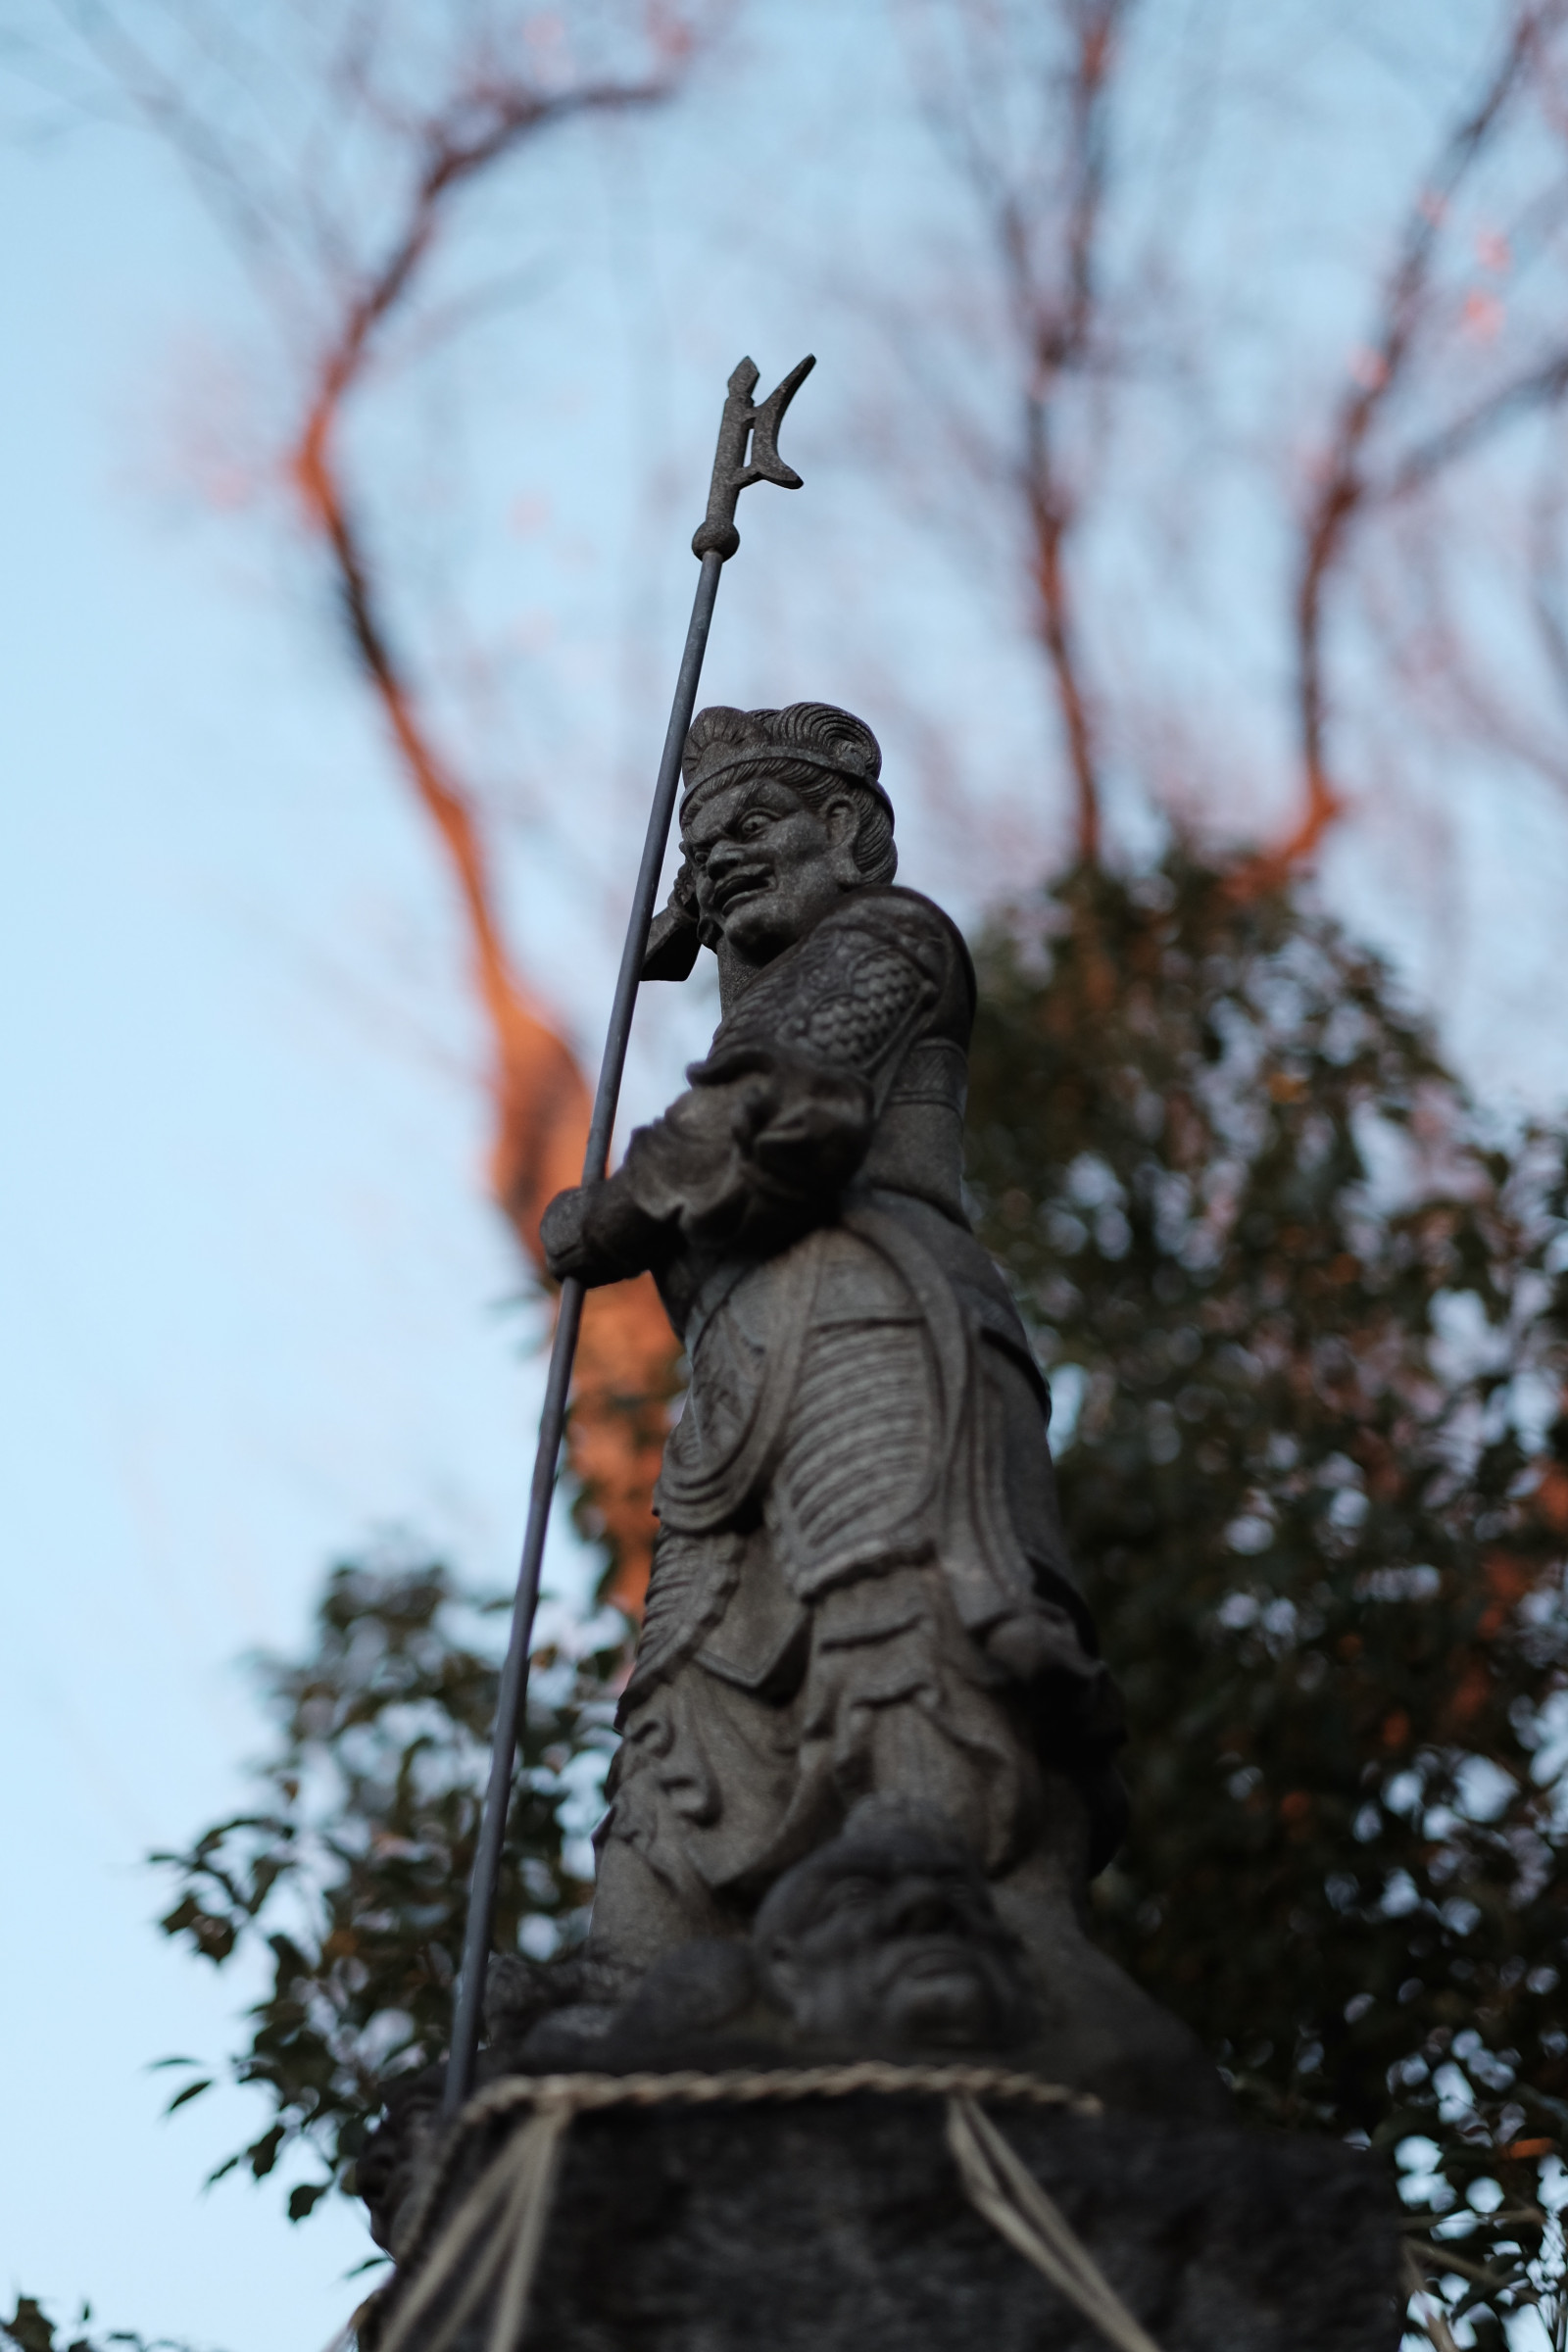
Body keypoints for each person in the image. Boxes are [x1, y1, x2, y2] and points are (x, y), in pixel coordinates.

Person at [542, 701, 1126, 1984]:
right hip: (735, 1378)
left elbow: (779, 1113)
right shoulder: (762, 974)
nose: (725, 859)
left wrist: (616, 1205)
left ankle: (939, 1919)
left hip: (871, 1313)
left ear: (846, 829)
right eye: (704, 849)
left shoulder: (892, 941)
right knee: (680, 1693)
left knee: (892, 1619)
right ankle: (638, 1972)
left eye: (755, 826)